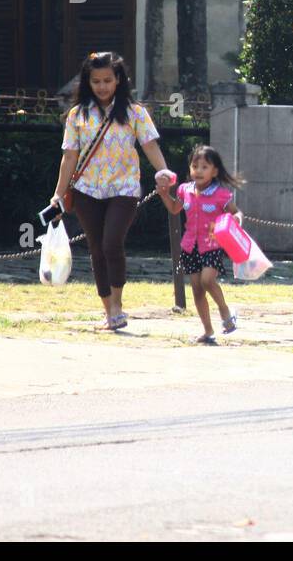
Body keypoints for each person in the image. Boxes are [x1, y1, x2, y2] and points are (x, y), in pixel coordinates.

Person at [49, 51, 174, 330]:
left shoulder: (135, 112)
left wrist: (162, 171)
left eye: (108, 80)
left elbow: (150, 145)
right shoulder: (77, 115)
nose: (102, 86)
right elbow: (69, 156)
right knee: (96, 249)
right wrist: (58, 194)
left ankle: (118, 304)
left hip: (124, 188)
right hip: (86, 191)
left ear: (118, 80)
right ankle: (108, 311)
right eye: (96, 81)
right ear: (88, 82)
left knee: (112, 243)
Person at [157, 145, 245, 345]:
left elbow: (236, 212)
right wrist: (164, 195)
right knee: (197, 289)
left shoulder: (221, 195)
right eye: (194, 166)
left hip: (212, 245)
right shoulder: (184, 190)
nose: (198, 170)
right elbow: (173, 208)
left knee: (207, 280)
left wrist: (237, 220)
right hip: (189, 246)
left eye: (204, 167)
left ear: (214, 171)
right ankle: (208, 331)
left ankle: (225, 312)